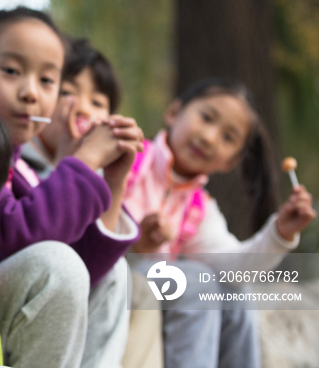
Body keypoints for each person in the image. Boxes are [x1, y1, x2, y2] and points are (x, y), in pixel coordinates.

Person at [0, 6, 143, 367]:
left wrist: (114, 181)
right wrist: (83, 162)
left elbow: (89, 268)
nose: (31, 92)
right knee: (58, 263)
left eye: (47, 80)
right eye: (12, 71)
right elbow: (12, 237)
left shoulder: (15, 164)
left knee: (114, 273)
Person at [124, 77, 316, 368]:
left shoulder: (199, 208)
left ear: (230, 162)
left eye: (228, 137)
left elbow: (233, 268)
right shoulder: (129, 159)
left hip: (157, 294)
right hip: (116, 275)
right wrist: (136, 244)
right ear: (174, 112)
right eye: (206, 118)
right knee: (193, 282)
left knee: (235, 293)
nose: (210, 137)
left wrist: (280, 232)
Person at [21, 36, 163, 368]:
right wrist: (70, 165)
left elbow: (100, 256)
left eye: (98, 103)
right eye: (68, 93)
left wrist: (116, 180)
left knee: (137, 287)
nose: (84, 109)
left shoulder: (97, 177)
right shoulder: (18, 162)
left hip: (80, 285)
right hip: (31, 293)